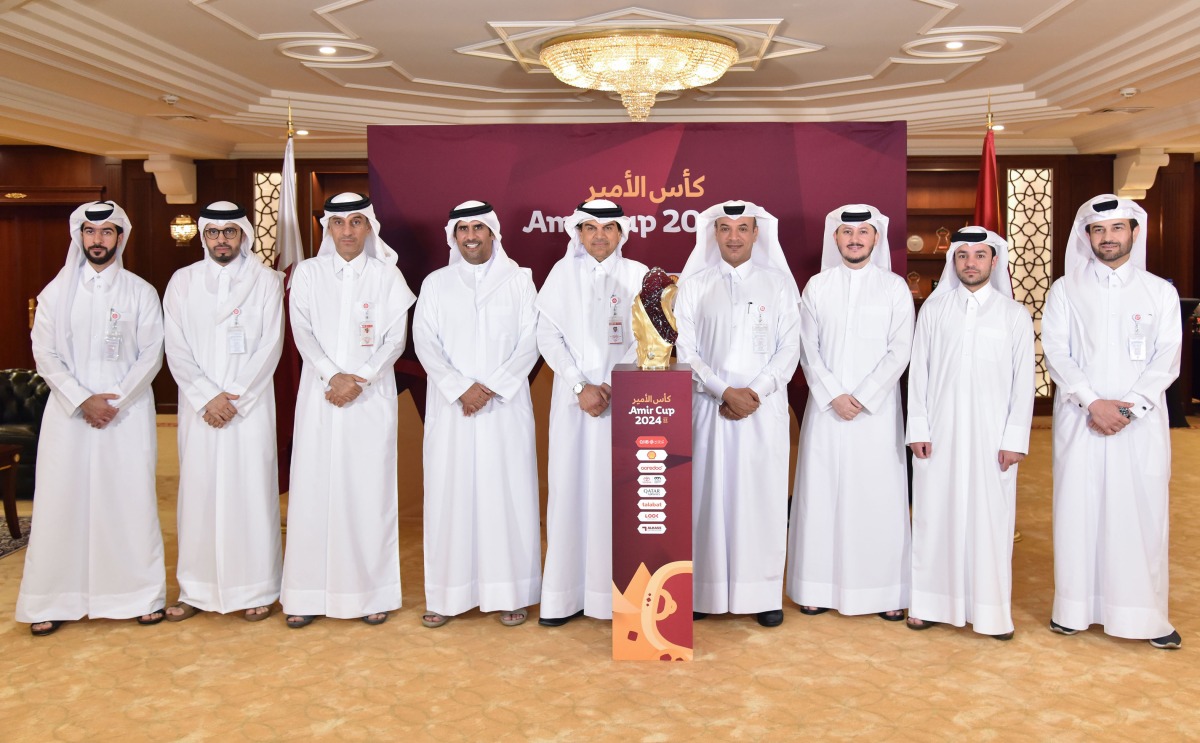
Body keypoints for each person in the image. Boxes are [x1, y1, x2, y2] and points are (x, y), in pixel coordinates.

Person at [16, 200, 166, 636]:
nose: (97, 240)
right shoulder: (55, 293)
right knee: (62, 502)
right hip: (69, 415)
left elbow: (151, 353)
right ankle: (53, 598)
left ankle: (137, 595)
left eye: (106, 232)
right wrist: (84, 400)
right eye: (89, 232)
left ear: (121, 236)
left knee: (129, 500)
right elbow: (45, 354)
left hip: (126, 413)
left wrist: (112, 402)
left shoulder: (140, 291)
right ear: (78, 236)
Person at [1042, 194, 1182, 649]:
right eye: (1098, 230)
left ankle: (1145, 617)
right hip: (1080, 420)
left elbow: (1167, 359)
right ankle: (1073, 610)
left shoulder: (1160, 291)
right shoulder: (1065, 289)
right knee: (1079, 511)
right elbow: (1056, 353)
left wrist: (1129, 407)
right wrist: (1091, 403)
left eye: (1116, 228)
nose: (1108, 237)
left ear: (1134, 232)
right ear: (1087, 236)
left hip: (1138, 425)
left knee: (1138, 512)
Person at [280, 192, 416, 628]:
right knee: (313, 489)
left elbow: (395, 339)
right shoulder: (308, 274)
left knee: (367, 492)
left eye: (356, 222)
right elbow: (301, 331)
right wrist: (330, 375)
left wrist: (360, 379)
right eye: (339, 223)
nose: (347, 231)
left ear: (368, 228)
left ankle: (370, 593)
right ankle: (305, 594)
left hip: (369, 399)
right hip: (319, 396)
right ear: (328, 229)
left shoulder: (387, 276)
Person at [413, 200, 541, 629]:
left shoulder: (520, 280)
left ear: (493, 233)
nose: (470, 236)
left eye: (478, 228)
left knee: (506, 495)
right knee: (450, 494)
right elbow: (424, 342)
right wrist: (459, 389)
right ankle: (448, 595)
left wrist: (490, 388)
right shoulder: (435, 283)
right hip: (453, 411)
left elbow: (531, 340)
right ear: (453, 235)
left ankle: (512, 592)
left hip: (503, 408)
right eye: (463, 228)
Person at [674, 200, 801, 627]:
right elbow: (685, 351)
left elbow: (789, 349)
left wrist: (754, 393)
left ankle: (761, 594)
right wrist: (723, 390)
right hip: (707, 408)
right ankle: (705, 591)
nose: (733, 236)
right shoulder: (694, 285)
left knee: (759, 498)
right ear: (714, 234)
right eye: (725, 228)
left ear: (756, 234)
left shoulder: (779, 285)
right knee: (706, 497)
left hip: (762, 412)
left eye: (742, 228)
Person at [905, 227, 1034, 639]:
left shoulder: (1013, 315)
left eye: (980, 256)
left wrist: (1014, 439)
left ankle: (991, 612)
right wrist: (918, 428)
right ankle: (929, 603)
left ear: (994, 262)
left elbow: (1023, 383)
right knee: (934, 515)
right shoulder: (934, 311)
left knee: (990, 520)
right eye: (963, 256)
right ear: (953, 262)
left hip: (993, 437)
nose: (971, 263)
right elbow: (919, 375)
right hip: (938, 435)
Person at [786, 205, 913, 621]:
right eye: (846, 232)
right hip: (827, 411)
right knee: (822, 495)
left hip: (876, 414)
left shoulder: (894, 288)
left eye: (863, 232)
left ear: (876, 238)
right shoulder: (817, 288)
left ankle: (884, 591)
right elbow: (807, 349)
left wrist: (864, 395)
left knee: (878, 496)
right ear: (835, 239)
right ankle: (816, 587)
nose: (855, 239)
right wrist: (834, 395)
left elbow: (901, 350)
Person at [162, 201, 285, 623]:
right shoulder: (182, 281)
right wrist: (204, 396)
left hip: (246, 409)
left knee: (250, 493)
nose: (221, 240)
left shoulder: (266, 281)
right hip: (200, 410)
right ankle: (195, 589)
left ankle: (258, 587)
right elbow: (174, 346)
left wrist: (234, 399)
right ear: (203, 237)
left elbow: (271, 345)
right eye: (213, 233)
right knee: (198, 494)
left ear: (243, 236)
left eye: (229, 232)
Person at [536, 199, 648, 626]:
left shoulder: (639, 275)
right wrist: (581, 385)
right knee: (570, 492)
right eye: (589, 228)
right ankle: (565, 598)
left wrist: (616, 385)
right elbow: (548, 335)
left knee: (619, 497)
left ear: (622, 233)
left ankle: (617, 600)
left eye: (608, 228)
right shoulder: (561, 275)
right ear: (578, 234)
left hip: (628, 402)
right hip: (573, 405)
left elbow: (651, 339)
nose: (599, 235)